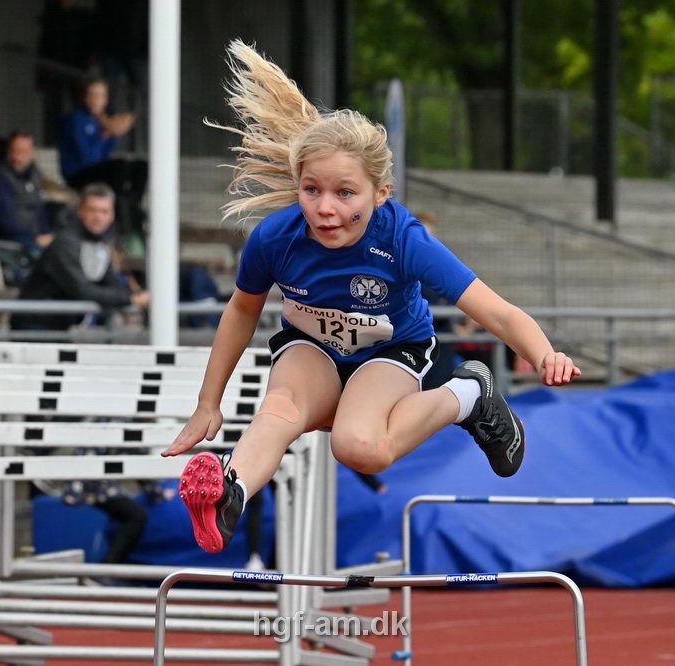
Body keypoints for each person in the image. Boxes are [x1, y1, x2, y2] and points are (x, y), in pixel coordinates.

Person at [162, 41, 580, 555]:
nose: (325, 209)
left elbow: (495, 309)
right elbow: (242, 311)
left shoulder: (403, 240)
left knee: (358, 446)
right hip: (309, 347)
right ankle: (229, 493)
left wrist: (544, 354)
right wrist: (209, 403)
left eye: (345, 194)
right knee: (279, 409)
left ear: (381, 193)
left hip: (390, 352)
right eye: (311, 190)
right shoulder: (275, 238)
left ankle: (468, 395)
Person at [10, 183, 149, 331]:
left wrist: (137, 295)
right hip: (34, 326)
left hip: (60, 326)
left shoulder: (102, 245)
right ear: (81, 211)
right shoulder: (65, 244)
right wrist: (131, 298)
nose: (98, 217)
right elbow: (82, 290)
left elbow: (111, 283)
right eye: (93, 210)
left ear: (112, 215)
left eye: (104, 211)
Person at [58, 77, 147, 241]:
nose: (97, 100)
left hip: (98, 171)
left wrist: (111, 132)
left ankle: (133, 202)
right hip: (78, 174)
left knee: (142, 166)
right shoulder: (75, 120)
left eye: (101, 96)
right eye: (93, 95)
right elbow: (87, 157)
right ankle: (124, 211)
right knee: (120, 167)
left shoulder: (101, 120)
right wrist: (107, 133)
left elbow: (106, 153)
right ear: (85, 98)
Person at [0, 132, 53, 253]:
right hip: (13, 239)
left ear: (31, 153)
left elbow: (40, 209)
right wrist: (35, 238)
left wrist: (47, 234)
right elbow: (5, 222)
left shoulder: (34, 174)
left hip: (36, 237)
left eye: (24, 151)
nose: (18, 156)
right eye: (15, 150)